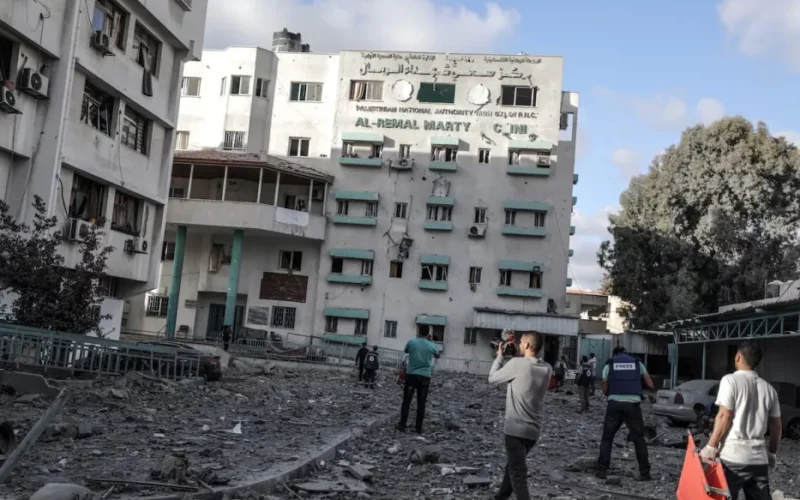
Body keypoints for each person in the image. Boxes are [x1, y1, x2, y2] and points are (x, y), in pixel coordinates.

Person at [699, 341, 781, 500]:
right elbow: (777, 426)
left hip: (733, 458)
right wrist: (772, 453)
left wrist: (711, 445)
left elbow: (724, 415)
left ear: (738, 357)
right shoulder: (769, 389)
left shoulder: (730, 380)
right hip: (759, 461)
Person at [488, 331, 551, 500]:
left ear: (528, 345)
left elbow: (492, 379)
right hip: (533, 431)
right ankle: (501, 496)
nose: (519, 344)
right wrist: (518, 357)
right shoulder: (546, 368)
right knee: (514, 465)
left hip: (515, 429)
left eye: (521, 342)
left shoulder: (517, 364)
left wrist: (500, 357)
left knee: (518, 475)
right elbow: (527, 371)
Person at [596, 346, 654, 481]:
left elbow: (604, 389)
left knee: (607, 437)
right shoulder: (637, 363)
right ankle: (645, 473)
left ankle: (602, 471)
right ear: (626, 353)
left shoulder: (609, 364)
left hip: (614, 404)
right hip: (633, 405)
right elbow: (650, 384)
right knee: (639, 439)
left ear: (614, 354)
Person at [397, 332, 440, 434]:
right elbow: (437, 355)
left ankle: (402, 425)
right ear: (426, 333)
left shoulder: (412, 342)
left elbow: (406, 350)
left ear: (418, 332)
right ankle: (418, 428)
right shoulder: (431, 344)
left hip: (411, 375)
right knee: (421, 403)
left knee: (406, 401)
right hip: (425, 376)